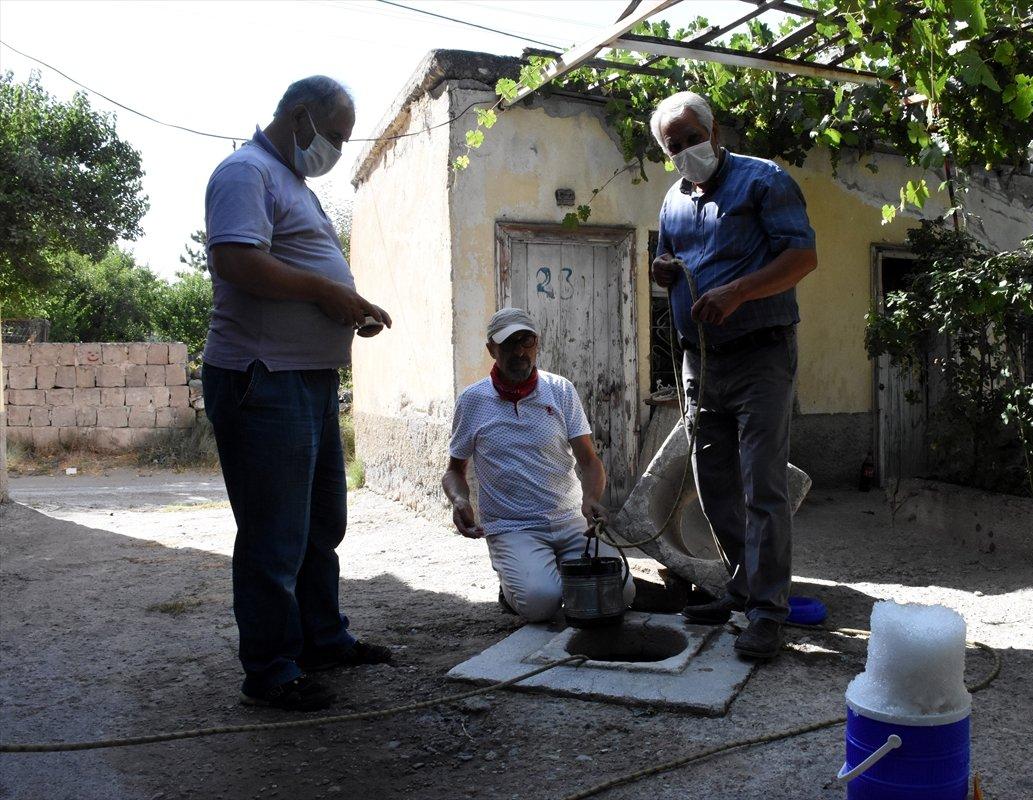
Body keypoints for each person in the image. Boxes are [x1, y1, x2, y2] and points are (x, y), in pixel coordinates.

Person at [202, 76, 394, 711]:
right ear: (302, 117)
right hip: (264, 378)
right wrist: (326, 293)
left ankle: (322, 638)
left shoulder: (294, 185)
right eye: (335, 135)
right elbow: (237, 262)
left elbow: (300, 266)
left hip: (305, 379)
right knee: (275, 534)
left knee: (320, 525)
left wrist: (347, 305)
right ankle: (271, 669)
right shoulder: (244, 172)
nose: (337, 148)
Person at [649, 91, 818, 660]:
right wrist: (664, 272)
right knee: (712, 479)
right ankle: (743, 586)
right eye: (674, 146)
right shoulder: (671, 200)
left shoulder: (765, 181)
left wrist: (739, 290)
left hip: (761, 353)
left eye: (693, 137)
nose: (686, 151)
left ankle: (770, 612)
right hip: (701, 359)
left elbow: (802, 258)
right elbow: (668, 261)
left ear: (713, 130)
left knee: (762, 486)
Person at [441, 308, 636, 621]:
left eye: (526, 341)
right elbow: (454, 471)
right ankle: (516, 586)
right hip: (513, 526)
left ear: (537, 344)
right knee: (542, 603)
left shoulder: (559, 390)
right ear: (492, 349)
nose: (519, 351)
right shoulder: (472, 400)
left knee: (621, 591)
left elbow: (589, 461)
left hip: (571, 520)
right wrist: (460, 500)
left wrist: (591, 499)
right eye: (509, 344)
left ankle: (551, 571)